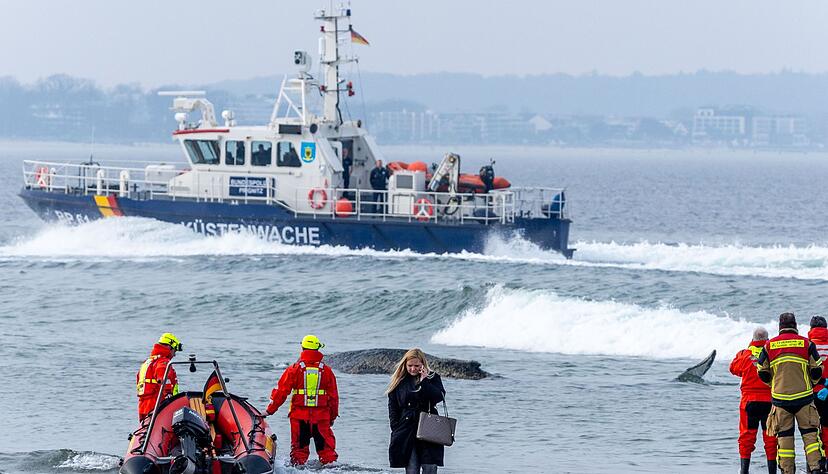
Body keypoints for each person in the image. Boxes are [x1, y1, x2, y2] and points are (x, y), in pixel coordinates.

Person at [757, 313, 827, 474]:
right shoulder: (806, 343)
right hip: (804, 399)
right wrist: (811, 383)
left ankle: (787, 471)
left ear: (779, 327)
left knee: (784, 440)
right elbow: (817, 369)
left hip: (780, 401)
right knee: (810, 437)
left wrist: (773, 385)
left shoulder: (769, 346)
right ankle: (816, 469)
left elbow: (762, 372)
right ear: (795, 326)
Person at [265, 335, 339, 466]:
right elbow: (334, 398)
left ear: (303, 348)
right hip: (321, 418)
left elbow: (281, 392)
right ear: (318, 349)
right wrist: (331, 417)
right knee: (327, 454)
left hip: (299, 418)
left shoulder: (294, 369)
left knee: (298, 454)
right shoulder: (327, 371)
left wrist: (269, 411)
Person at [387, 348, 446, 474]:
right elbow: (393, 407)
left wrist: (424, 381)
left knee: (430, 467)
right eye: (410, 365)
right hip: (406, 429)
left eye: (417, 366)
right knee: (412, 468)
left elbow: (439, 397)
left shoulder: (432, 378)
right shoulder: (399, 380)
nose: (413, 369)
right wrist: (395, 427)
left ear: (423, 364)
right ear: (405, 364)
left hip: (429, 427)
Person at [730, 327, 777, 474]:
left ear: (753, 339)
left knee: (746, 437)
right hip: (769, 402)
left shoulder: (744, 354)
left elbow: (733, 369)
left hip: (749, 403)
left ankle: (744, 470)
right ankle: (772, 471)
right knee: (770, 439)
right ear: (767, 339)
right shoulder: (773, 355)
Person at [136, 333, 182, 420]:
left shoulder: (147, 362)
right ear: (169, 347)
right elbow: (164, 379)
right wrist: (169, 396)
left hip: (143, 406)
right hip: (157, 403)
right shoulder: (162, 362)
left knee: (147, 430)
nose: (174, 355)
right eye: (174, 351)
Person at [809, 316, 828, 449]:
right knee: (827, 427)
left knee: (811, 430)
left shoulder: (806, 345)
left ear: (811, 329)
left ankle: (814, 465)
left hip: (810, 393)